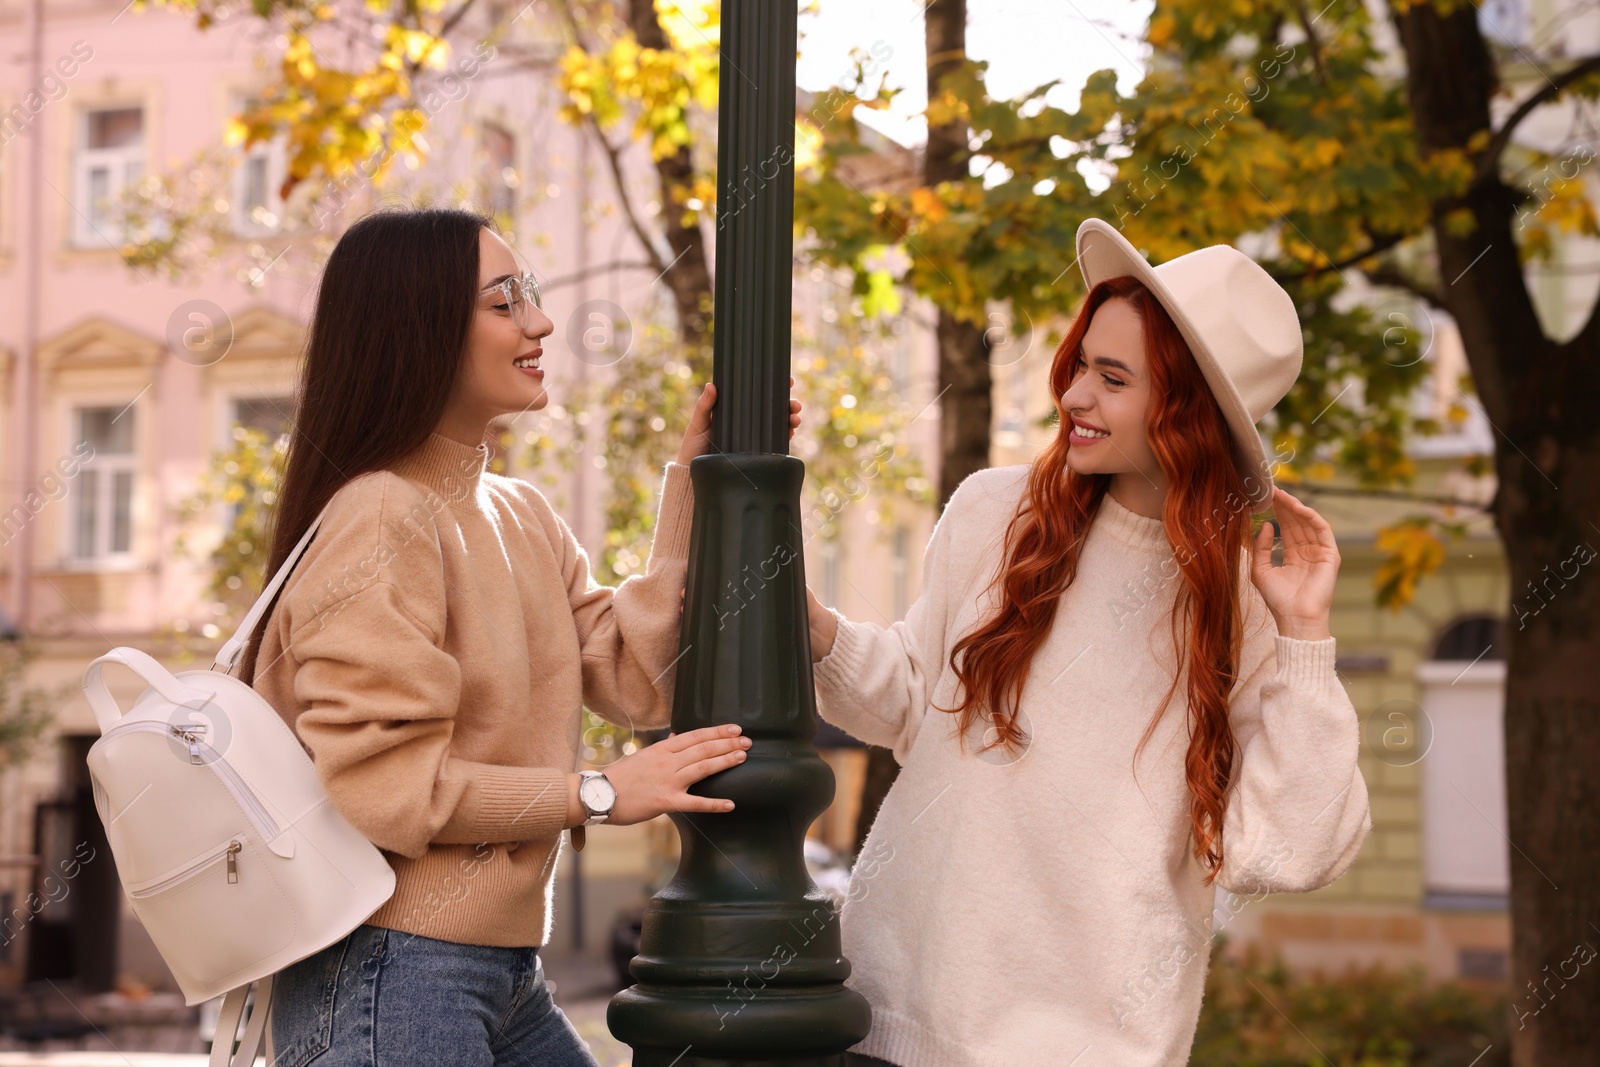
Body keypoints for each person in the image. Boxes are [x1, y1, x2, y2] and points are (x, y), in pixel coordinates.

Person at [240, 207, 799, 1065]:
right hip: (390, 963)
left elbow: (631, 676)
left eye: (529, 294)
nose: (539, 321)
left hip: (495, 968)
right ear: (416, 327)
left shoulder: (517, 510)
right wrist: (598, 793)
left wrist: (696, 483)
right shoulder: (382, 514)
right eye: (504, 302)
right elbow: (385, 787)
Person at [808, 218, 1373, 1066]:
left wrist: (1303, 634)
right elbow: (904, 700)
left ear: (1185, 413)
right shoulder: (995, 514)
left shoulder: (1243, 605)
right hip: (886, 1021)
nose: (1073, 394)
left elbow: (1287, 847)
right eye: (1081, 364)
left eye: (1113, 378)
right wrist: (798, 610)